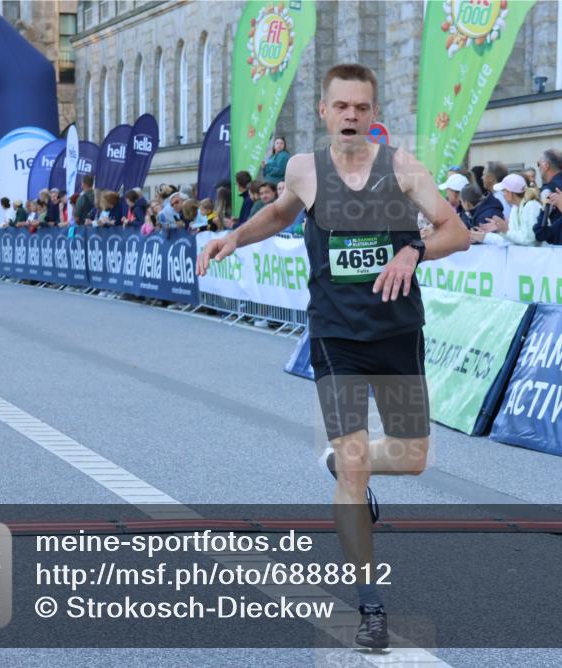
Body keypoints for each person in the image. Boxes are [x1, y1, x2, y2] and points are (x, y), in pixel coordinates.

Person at [198, 63, 468, 650]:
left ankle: (346, 464)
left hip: (396, 332)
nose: (351, 116)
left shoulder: (402, 169)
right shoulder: (304, 170)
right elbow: (279, 213)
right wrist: (233, 236)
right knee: (354, 466)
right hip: (335, 335)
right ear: (323, 112)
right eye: (341, 106)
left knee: (413, 458)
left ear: (373, 114)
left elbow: (457, 230)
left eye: (361, 108)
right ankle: (370, 605)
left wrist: (414, 252)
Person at [532, 149, 562, 245]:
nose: (538, 168)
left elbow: (540, 230)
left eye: (538, 164)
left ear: (546, 165)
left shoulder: (548, 191)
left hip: (559, 241)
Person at [486, 173, 540, 246]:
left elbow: (531, 240)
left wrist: (505, 230)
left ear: (509, 193)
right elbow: (514, 238)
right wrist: (501, 230)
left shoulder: (532, 206)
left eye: (503, 191)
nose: (503, 194)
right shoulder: (515, 207)